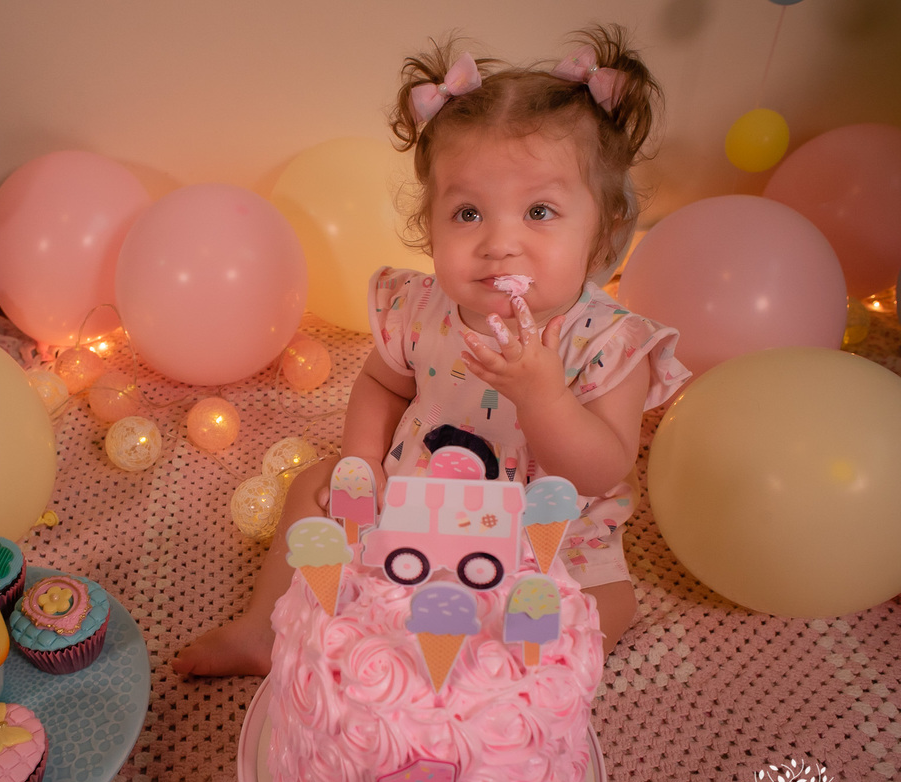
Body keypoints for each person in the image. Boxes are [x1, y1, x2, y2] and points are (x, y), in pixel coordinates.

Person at [173, 24, 689, 677]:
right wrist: (364, 463)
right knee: (314, 486)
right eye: (469, 213)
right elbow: (384, 385)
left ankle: (510, 680)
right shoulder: (420, 308)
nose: (500, 242)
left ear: (606, 226)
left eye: (539, 212)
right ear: (430, 222)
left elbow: (600, 468)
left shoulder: (610, 343)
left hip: (543, 536)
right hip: (415, 497)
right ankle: (261, 630)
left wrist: (542, 394)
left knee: (607, 603)